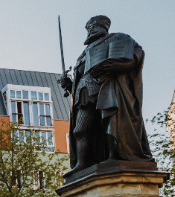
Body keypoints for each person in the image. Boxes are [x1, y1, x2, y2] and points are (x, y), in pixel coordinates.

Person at [59, 15, 153, 179]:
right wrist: (70, 84)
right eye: (90, 27)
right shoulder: (83, 54)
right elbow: (80, 75)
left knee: (111, 121)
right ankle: (82, 164)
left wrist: (119, 65)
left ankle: (112, 156)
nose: (92, 29)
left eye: (95, 26)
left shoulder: (118, 38)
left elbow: (136, 55)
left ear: (104, 26)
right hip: (85, 91)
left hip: (108, 85)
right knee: (80, 129)